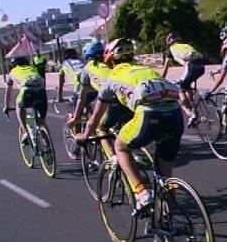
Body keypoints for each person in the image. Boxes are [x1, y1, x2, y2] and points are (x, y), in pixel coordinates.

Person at [76, 38, 183, 208]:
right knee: (165, 172)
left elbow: (95, 119)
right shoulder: (148, 69)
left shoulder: (112, 78)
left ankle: (141, 192)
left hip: (149, 115)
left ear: (110, 59)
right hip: (176, 115)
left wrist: (85, 136)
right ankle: (168, 216)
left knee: (120, 146)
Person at [67, 40, 114, 159]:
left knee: (100, 127)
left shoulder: (87, 69)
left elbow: (81, 99)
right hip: (125, 98)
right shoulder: (111, 64)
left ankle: (112, 161)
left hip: (108, 100)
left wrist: (76, 118)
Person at [162, 33, 205, 127]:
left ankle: (191, 113)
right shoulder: (186, 45)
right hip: (201, 66)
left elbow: (165, 69)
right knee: (186, 84)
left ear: (168, 42)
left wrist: (161, 80)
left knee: (179, 87)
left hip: (191, 66)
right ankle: (192, 105)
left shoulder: (170, 50)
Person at [2, 56, 48, 144]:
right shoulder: (33, 68)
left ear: (14, 65)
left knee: (19, 106)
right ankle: (47, 144)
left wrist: (6, 106)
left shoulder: (13, 72)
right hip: (41, 90)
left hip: (27, 90)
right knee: (42, 122)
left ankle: (25, 132)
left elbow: (8, 92)